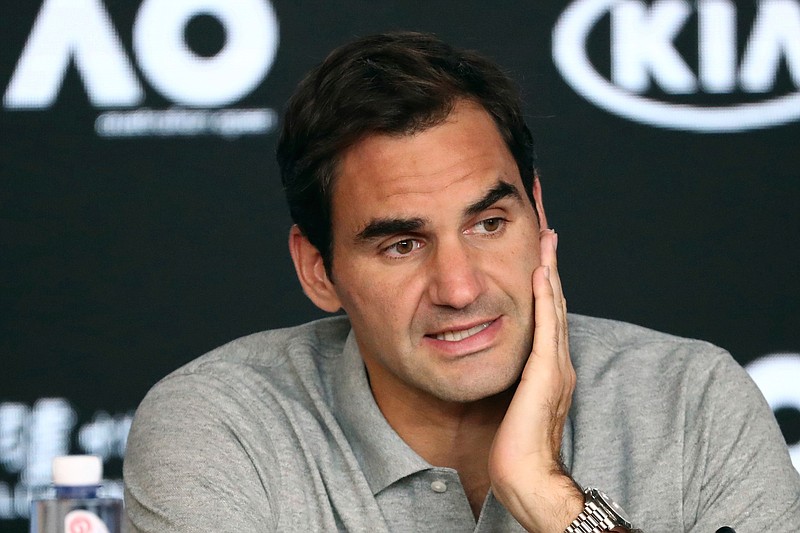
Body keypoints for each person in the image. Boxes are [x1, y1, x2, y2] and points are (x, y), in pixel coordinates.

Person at [123, 32, 800, 532]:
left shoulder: (692, 402)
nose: (458, 286)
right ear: (318, 269)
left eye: (488, 224)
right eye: (402, 244)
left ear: (537, 211)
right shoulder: (220, 426)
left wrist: (547, 493)